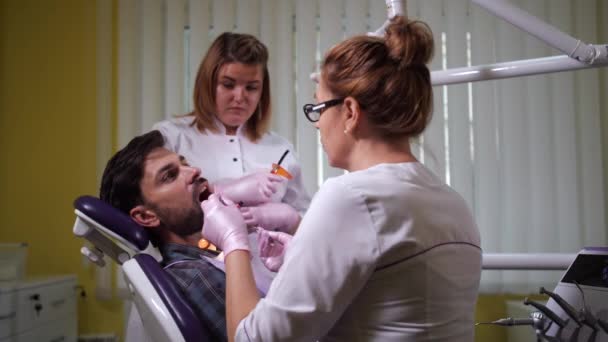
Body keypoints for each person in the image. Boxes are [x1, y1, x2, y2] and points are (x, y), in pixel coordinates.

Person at [201, 15, 483, 341]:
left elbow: (254, 339)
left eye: (319, 108)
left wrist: (235, 242)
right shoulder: (451, 201)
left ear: (349, 112)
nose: (317, 123)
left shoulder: (350, 197)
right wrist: (302, 255)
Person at [99, 130, 292, 342]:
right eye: (170, 176)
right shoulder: (195, 277)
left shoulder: (209, 257)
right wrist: (235, 242)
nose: (194, 171)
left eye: (185, 163)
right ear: (146, 216)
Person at [152, 32, 310, 234]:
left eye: (251, 88)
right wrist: (224, 192)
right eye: (228, 84)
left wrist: (291, 219)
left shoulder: (281, 150)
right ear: (208, 84)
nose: (239, 97)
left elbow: (307, 226)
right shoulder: (171, 138)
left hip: (265, 265)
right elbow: (155, 207)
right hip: (192, 263)